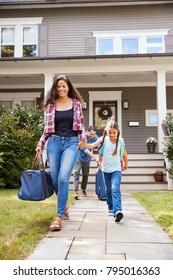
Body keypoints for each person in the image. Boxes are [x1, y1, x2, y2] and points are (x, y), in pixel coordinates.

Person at [36, 74, 86, 231]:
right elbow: (47, 129)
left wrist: (83, 139)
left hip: (71, 143)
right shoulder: (51, 105)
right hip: (54, 143)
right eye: (58, 87)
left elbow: (81, 126)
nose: (61, 89)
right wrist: (40, 144)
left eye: (64, 86)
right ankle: (64, 207)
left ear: (68, 87)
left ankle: (59, 217)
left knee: (63, 178)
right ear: (55, 89)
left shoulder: (76, 104)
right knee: (56, 180)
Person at [79, 120, 128, 223]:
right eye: (110, 132)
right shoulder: (103, 140)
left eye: (114, 132)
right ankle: (110, 207)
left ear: (117, 132)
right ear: (106, 131)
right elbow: (92, 146)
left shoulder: (121, 141)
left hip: (116, 170)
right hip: (105, 170)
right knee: (108, 190)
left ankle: (117, 211)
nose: (112, 135)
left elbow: (124, 153)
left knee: (115, 189)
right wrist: (84, 144)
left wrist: (125, 163)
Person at [73, 125, 99, 199]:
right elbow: (85, 150)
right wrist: (95, 157)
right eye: (91, 134)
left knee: (85, 174)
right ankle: (75, 191)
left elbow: (98, 147)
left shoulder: (95, 137)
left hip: (87, 159)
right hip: (79, 156)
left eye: (94, 134)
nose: (92, 136)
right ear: (87, 132)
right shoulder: (82, 136)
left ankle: (83, 189)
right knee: (76, 173)